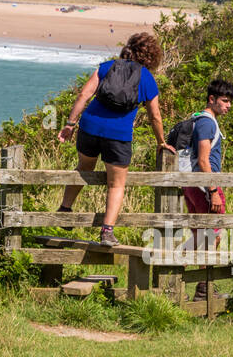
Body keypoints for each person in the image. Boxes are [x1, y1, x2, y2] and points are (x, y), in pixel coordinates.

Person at [56, 32, 175, 247]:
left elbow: (84, 95)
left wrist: (70, 124)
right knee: (116, 185)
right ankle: (107, 232)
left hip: (89, 126)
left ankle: (65, 208)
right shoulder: (146, 77)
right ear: (151, 57)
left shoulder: (107, 66)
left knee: (84, 168)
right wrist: (161, 141)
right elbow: (155, 116)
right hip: (118, 135)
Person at [180, 78, 233, 300]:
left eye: (230, 101)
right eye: (224, 100)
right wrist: (213, 190)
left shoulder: (198, 120)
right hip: (204, 185)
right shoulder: (206, 123)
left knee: (200, 236)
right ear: (211, 99)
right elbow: (204, 160)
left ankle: (173, 281)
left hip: (193, 185)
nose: (228, 105)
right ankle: (204, 290)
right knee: (212, 236)